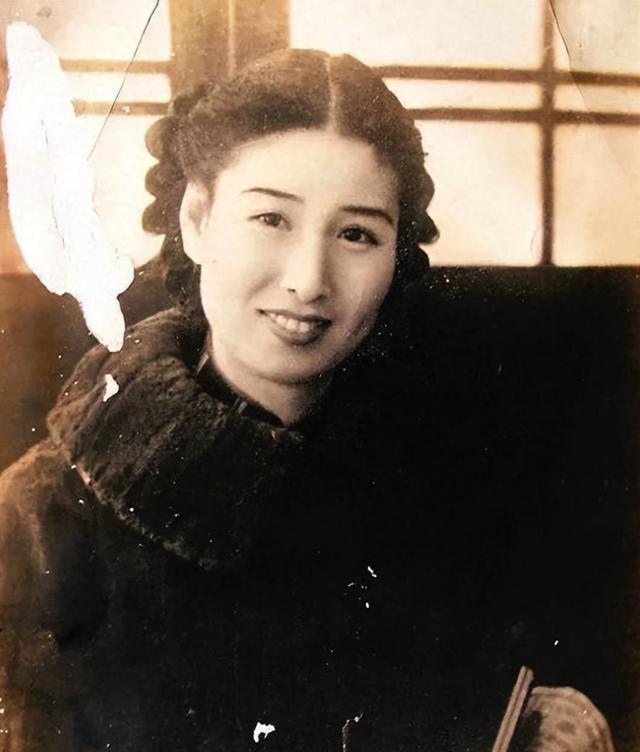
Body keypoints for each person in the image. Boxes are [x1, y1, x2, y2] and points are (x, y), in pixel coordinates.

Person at [0, 48, 634, 752]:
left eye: (357, 234)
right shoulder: (38, 518)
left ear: (396, 257)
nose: (309, 280)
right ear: (198, 219)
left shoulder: (441, 482)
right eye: (271, 219)